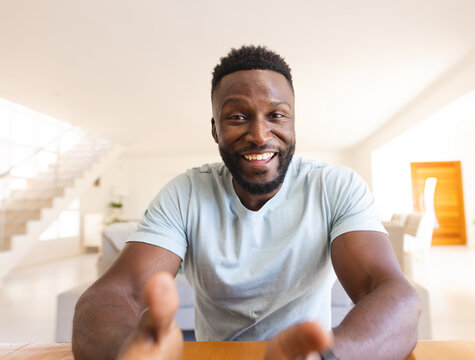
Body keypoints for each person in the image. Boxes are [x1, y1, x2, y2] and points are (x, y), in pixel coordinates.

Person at [72, 45, 421, 360]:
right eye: (238, 117)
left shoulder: (334, 186)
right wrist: (123, 353)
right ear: (215, 130)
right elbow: (115, 293)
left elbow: (394, 293)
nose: (259, 134)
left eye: (276, 115)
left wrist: (325, 357)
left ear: (293, 122)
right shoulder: (186, 193)